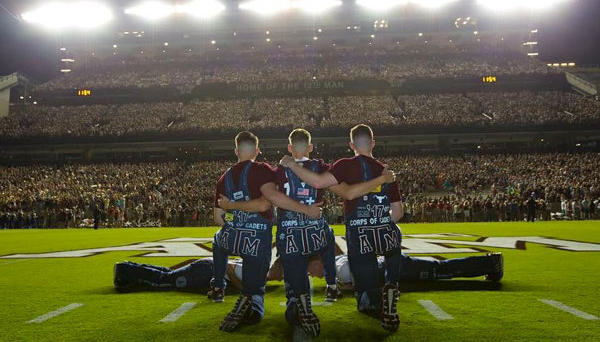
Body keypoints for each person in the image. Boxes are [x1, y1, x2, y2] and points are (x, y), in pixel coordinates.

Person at [220, 128, 396, 337]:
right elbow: (348, 193)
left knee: (291, 265)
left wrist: (232, 205)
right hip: (316, 231)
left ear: (289, 148)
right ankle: (331, 285)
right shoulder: (321, 168)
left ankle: (298, 302)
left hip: (289, 230)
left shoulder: (276, 171)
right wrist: (382, 180)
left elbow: (269, 199)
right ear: (311, 147)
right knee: (329, 240)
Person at [280, 124, 404, 332]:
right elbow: (398, 213)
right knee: (393, 240)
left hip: (355, 233)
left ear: (351, 145)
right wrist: (380, 217)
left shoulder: (344, 164)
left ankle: (370, 299)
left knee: (361, 283)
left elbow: (321, 184)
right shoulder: (386, 171)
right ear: (373, 143)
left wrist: (292, 165)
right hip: (384, 230)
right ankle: (389, 284)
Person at [210, 131, 322, 333]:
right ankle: (287, 305)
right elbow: (265, 204)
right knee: (273, 273)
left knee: (218, 241)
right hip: (258, 237)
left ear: (236, 151)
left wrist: (234, 212)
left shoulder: (223, 178)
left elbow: (218, 218)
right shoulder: (263, 170)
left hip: (234, 235)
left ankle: (221, 288)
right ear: (257, 151)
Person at [112, 252, 504, 292]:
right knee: (165, 280)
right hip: (205, 273)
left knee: (442, 273)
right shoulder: (336, 266)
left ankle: (489, 264)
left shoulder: (339, 268)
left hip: (394, 268)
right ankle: (126, 271)